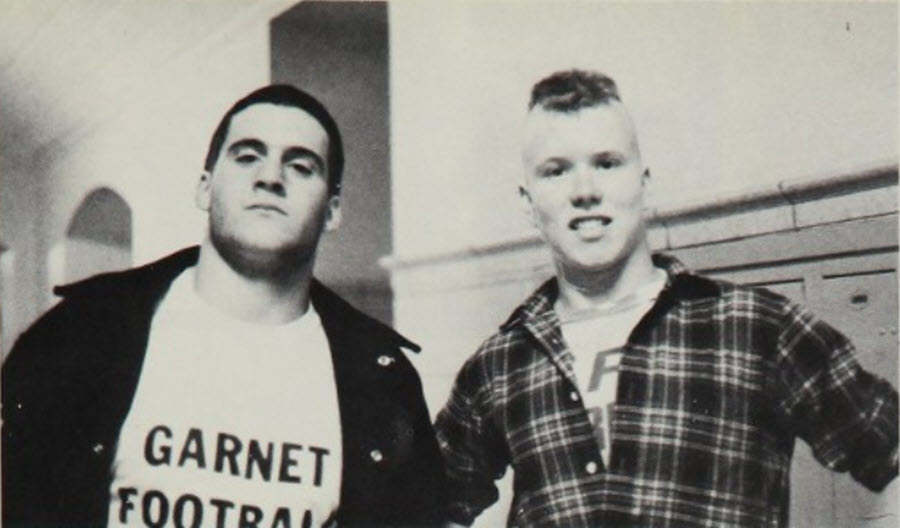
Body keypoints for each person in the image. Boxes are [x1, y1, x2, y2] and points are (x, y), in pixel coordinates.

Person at [434, 69, 898, 527]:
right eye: (556, 171)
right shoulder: (499, 364)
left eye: (607, 163)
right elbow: (431, 503)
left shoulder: (756, 327)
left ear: (644, 181)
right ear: (527, 203)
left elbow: (887, 442)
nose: (585, 191)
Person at [3, 84, 445, 527]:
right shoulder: (80, 337)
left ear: (332, 211)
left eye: (301, 166)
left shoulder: (382, 381)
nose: (270, 178)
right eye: (247, 156)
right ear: (205, 188)